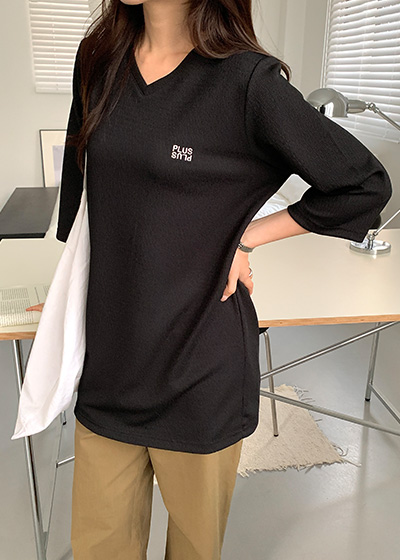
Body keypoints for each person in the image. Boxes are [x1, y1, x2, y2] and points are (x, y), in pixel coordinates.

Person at [27, 0, 392, 558]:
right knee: (98, 547)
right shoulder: (98, 59)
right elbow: (83, 199)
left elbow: (363, 186)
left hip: (199, 369)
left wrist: (248, 237)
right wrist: (66, 298)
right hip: (110, 368)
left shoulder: (246, 82)